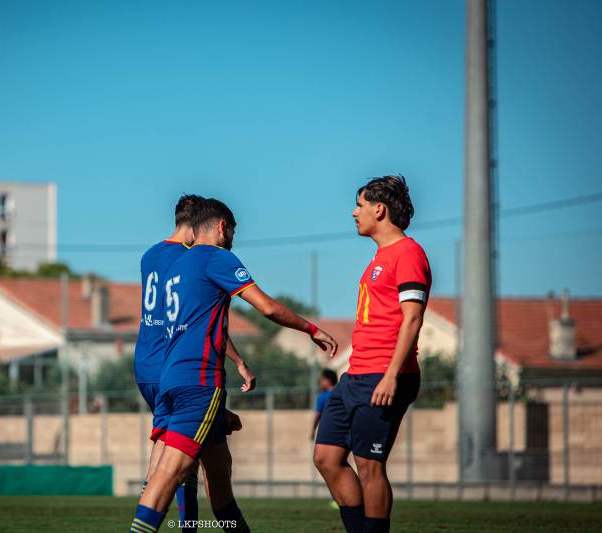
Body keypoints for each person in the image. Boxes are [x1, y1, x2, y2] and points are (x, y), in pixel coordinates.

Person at [129, 198, 338, 533]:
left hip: (171, 379)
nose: (233, 241)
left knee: (220, 484)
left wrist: (225, 392)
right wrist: (310, 328)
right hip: (198, 383)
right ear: (223, 227)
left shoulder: (177, 267)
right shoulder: (217, 257)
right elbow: (267, 307)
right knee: (168, 475)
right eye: (233, 233)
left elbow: (193, 325)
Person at [314, 175, 431, 533]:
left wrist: (391, 375)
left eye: (360, 205)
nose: (354, 213)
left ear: (379, 210)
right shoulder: (381, 256)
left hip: (384, 375)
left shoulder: (409, 253)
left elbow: (413, 319)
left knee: (369, 466)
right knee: (326, 457)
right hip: (355, 376)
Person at [134, 194, 255, 533]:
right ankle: (182, 526)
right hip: (176, 365)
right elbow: (195, 321)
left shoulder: (150, 255)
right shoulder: (189, 259)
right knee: (176, 463)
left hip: (146, 364)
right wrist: (238, 360)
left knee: (193, 456)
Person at [310, 368, 338, 441]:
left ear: (328, 380)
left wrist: (313, 430)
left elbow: (317, 415)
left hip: (327, 433)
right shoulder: (341, 394)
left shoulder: (322, 397)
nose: (319, 382)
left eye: (322, 379)